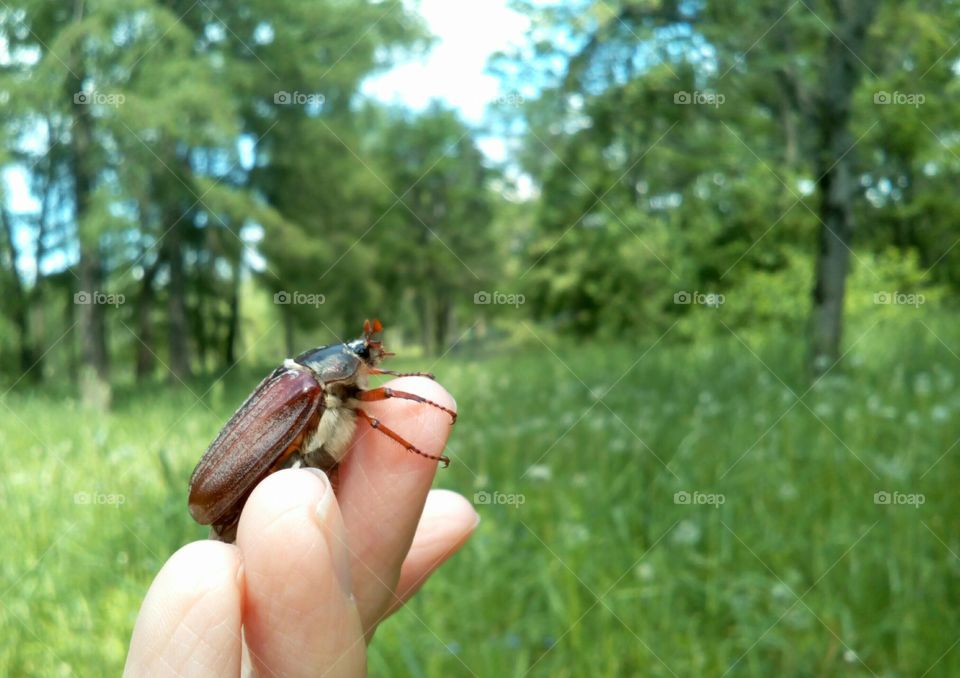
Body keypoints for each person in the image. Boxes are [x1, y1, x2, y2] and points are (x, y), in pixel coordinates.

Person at [124, 377, 477, 676]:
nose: (373, 369)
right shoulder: (309, 388)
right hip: (260, 481)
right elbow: (381, 407)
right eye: (365, 358)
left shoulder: (333, 389)